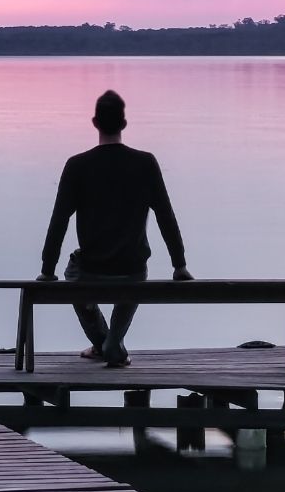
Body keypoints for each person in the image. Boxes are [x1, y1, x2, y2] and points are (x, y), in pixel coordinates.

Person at [37, 90, 192, 368]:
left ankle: (103, 342)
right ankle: (113, 342)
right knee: (135, 274)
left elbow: (59, 220)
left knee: (72, 274)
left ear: (95, 122)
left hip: (90, 271)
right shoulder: (145, 163)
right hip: (132, 270)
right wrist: (179, 265)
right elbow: (165, 216)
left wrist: (47, 269)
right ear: (124, 124)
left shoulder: (77, 165)